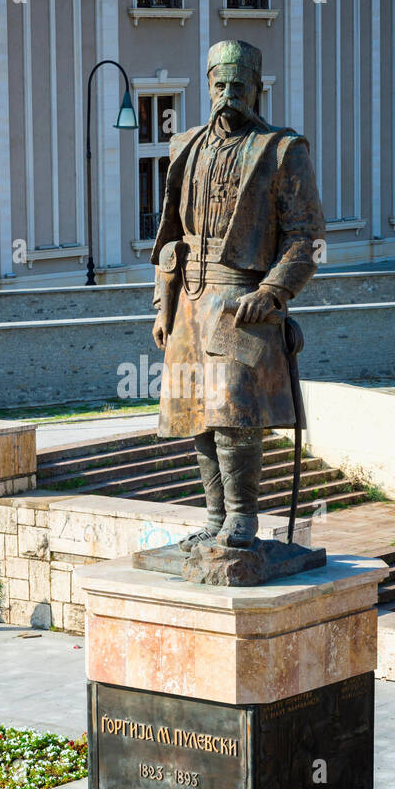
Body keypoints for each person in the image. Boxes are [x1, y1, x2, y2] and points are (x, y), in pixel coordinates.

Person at [151, 39, 325, 551]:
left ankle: (242, 520)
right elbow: (170, 243)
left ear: (257, 88)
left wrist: (272, 292)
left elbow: (306, 237)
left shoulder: (281, 149)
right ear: (208, 85)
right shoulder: (184, 146)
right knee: (196, 416)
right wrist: (163, 305)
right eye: (219, 85)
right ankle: (214, 516)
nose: (229, 95)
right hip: (189, 301)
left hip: (239, 302)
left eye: (239, 86)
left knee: (234, 416)